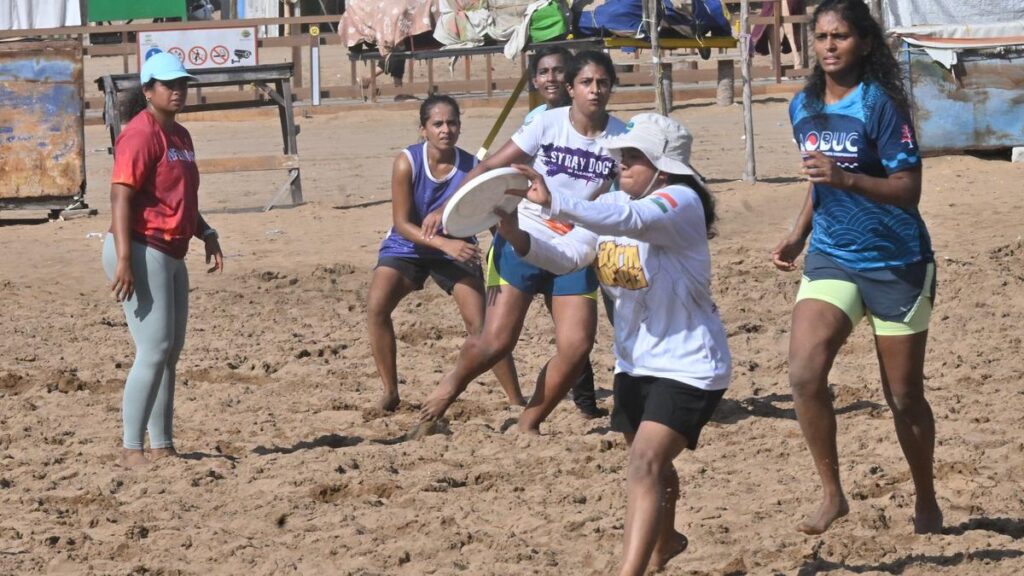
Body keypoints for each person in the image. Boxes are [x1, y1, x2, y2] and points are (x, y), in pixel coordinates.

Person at [495, 113, 731, 576]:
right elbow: (566, 256)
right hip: (634, 363)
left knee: (645, 461)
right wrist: (519, 236)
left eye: (633, 157)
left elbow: (630, 218)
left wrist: (554, 199)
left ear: (662, 166)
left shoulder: (679, 201)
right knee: (652, 466)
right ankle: (667, 539)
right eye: (620, 155)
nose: (620, 163)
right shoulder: (613, 201)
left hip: (689, 364)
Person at [771, 0, 942, 535]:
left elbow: (908, 189)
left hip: (897, 263)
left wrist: (846, 179)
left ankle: (925, 496)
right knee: (803, 372)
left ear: (864, 43)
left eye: (840, 36)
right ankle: (832, 494)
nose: (828, 46)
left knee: (904, 396)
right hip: (833, 258)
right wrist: (799, 234)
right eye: (820, 36)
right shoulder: (803, 107)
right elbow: (816, 180)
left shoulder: (882, 105)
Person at [418, 50, 627, 433]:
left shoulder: (622, 138)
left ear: (612, 88)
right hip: (522, 234)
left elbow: (637, 189)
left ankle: (529, 421)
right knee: (496, 343)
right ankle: (451, 386)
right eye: (586, 82)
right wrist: (448, 209)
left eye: (603, 83)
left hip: (576, 246)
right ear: (571, 88)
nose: (595, 90)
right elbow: (488, 167)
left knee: (577, 348)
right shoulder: (547, 124)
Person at [102, 52, 224, 467]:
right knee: (153, 350)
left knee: (169, 352)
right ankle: (131, 447)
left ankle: (163, 444)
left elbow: (181, 196)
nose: (178, 90)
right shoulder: (139, 135)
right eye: (169, 84)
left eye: (183, 83)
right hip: (139, 246)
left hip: (172, 249)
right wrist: (123, 259)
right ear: (148, 89)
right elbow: (120, 196)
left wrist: (205, 231)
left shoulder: (181, 136)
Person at [367, 95, 524, 413]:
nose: (445, 130)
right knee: (376, 307)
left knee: (483, 327)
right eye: (437, 124)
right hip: (408, 245)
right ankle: (390, 392)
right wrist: (444, 244)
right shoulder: (407, 162)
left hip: (456, 250)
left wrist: (509, 258)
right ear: (423, 129)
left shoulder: (473, 167)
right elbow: (401, 223)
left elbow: (494, 218)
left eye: (452, 123)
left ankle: (515, 399)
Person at [524, 45, 608, 419]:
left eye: (559, 71)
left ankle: (586, 402)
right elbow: (513, 171)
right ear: (534, 80)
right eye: (544, 72)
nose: (551, 78)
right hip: (535, 230)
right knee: (503, 331)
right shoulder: (538, 122)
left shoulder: (596, 122)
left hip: (581, 236)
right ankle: (522, 400)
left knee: (575, 331)